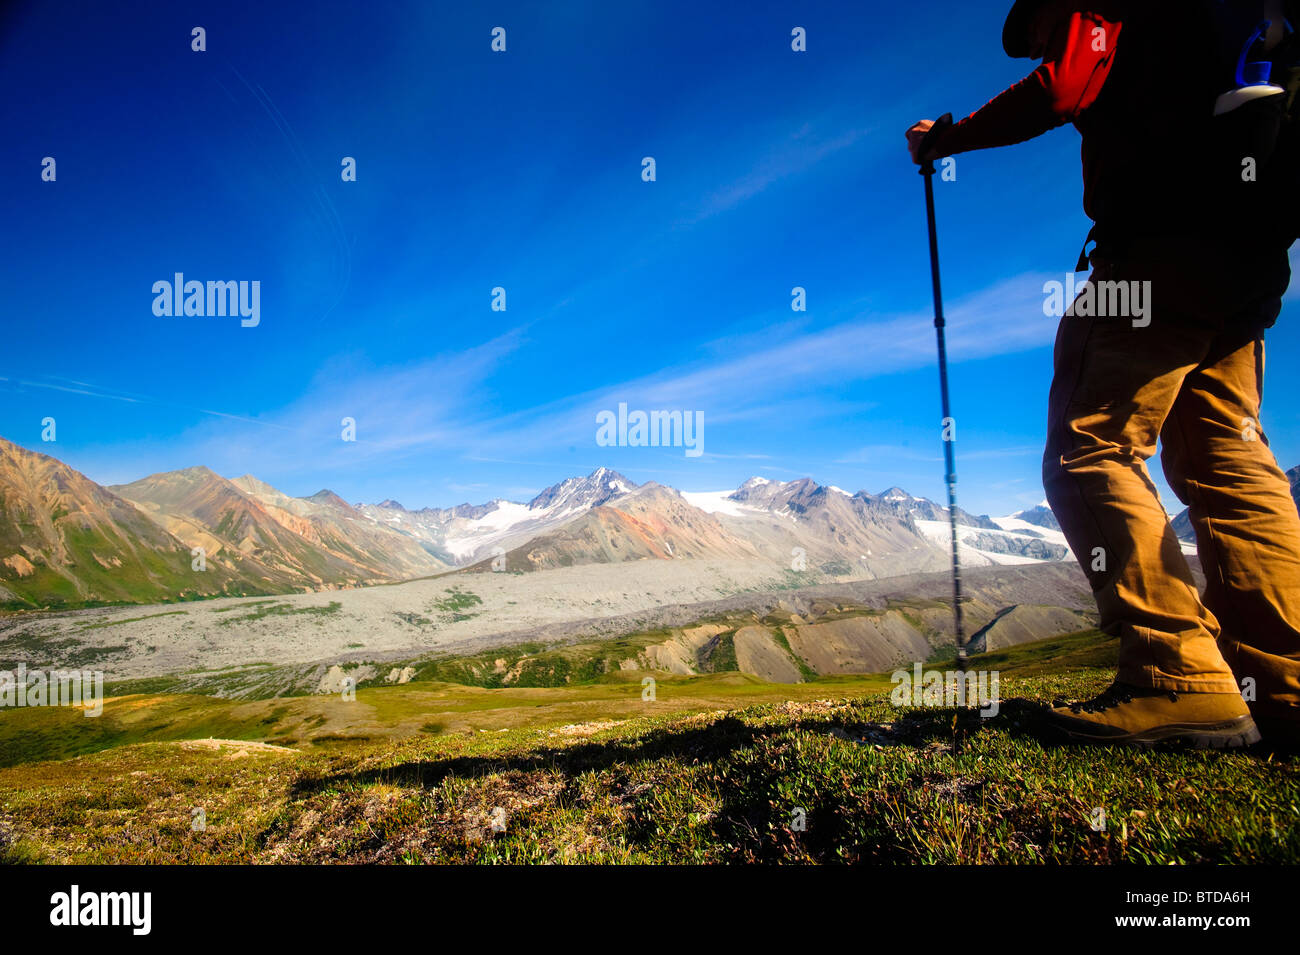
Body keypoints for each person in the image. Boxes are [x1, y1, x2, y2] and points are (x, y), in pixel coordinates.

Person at [906, 0, 1300, 748]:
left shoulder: (1098, 7)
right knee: (1226, 459)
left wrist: (948, 139)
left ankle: (1176, 677)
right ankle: (1283, 688)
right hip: (1246, 247)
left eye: (1038, 33)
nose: (1038, 49)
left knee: (1088, 444)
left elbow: (1062, 89)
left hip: (1160, 247)